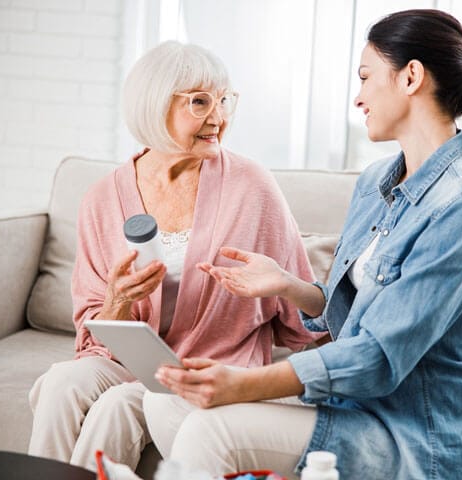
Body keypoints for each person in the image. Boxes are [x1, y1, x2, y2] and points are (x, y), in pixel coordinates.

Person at [146, 9, 462, 480]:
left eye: (366, 78)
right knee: (164, 406)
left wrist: (244, 385)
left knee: (210, 431)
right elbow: (358, 315)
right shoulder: (376, 182)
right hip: (351, 405)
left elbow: (380, 355)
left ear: (411, 77)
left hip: (410, 433)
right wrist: (290, 286)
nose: (359, 97)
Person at [27, 41, 320, 472]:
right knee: (61, 383)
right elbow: (93, 331)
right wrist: (119, 301)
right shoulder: (103, 197)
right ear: (154, 105)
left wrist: (287, 290)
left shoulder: (252, 186)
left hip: (212, 367)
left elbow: (303, 326)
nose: (218, 117)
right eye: (200, 102)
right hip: (129, 362)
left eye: (224, 100)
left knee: (119, 406)